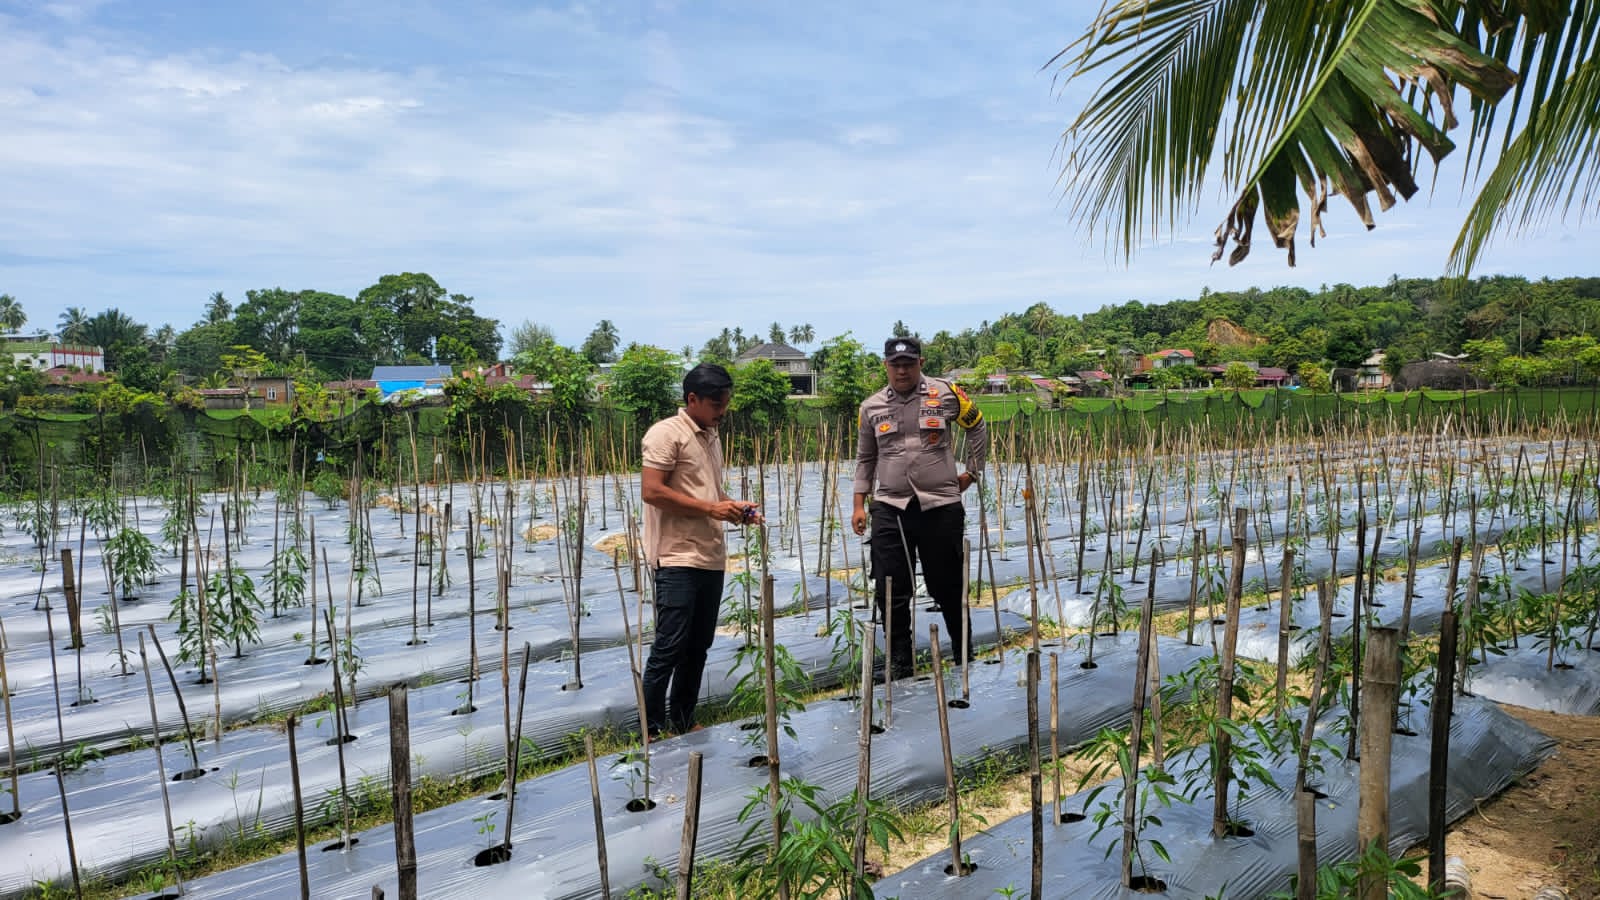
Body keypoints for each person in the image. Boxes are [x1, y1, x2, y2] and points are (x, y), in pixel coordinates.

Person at [852, 336, 988, 678]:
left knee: (947, 584)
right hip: (890, 505)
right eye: (895, 364)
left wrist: (972, 472)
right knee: (890, 585)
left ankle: (962, 654)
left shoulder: (946, 393)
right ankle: (900, 662)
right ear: (885, 365)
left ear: (920, 363)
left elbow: (978, 426)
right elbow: (865, 457)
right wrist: (858, 503)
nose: (902, 370)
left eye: (908, 364)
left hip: (940, 504)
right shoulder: (870, 407)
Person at [640, 363, 763, 736]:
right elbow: (652, 491)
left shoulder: (710, 436)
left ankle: (681, 720)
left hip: (710, 556)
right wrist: (712, 508)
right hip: (677, 557)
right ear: (692, 399)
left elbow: (709, 495)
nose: (722, 411)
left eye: (725, 403)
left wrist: (732, 508)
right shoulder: (666, 434)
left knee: (698, 647)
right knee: (670, 646)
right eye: (715, 404)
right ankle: (651, 729)